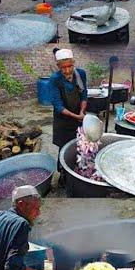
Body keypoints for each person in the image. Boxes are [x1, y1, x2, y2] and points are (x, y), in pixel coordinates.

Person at [49, 49, 88, 184]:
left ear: (73, 63)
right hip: (63, 120)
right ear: (58, 67)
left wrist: (82, 112)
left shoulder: (81, 74)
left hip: (79, 116)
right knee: (63, 146)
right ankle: (63, 173)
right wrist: (75, 116)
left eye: (69, 66)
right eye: (63, 68)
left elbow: (84, 95)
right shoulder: (55, 79)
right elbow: (58, 105)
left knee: (80, 144)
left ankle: (79, 168)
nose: (67, 71)